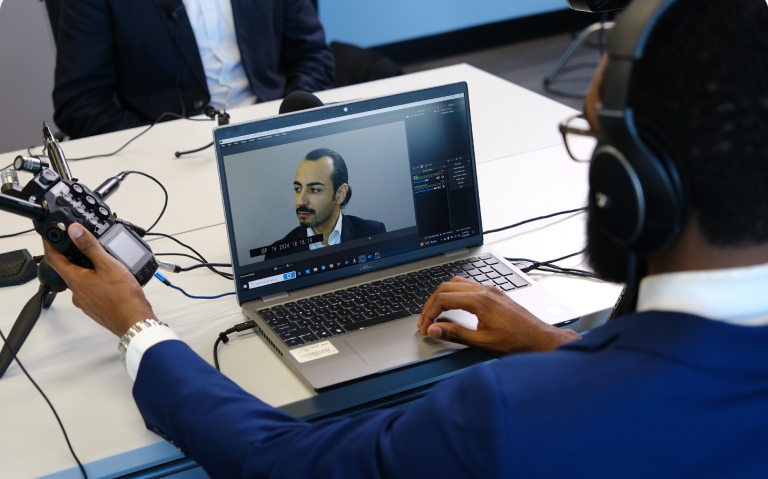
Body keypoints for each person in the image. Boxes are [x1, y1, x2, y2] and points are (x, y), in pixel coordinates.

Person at [43, 0, 768, 476]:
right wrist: (554, 342)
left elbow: (282, 461)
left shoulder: (508, 416)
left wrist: (139, 327)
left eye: (593, 137)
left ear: (632, 185)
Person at [52, 0, 334, 139]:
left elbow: (311, 54)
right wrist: (156, 142)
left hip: (275, 128)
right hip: (172, 150)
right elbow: (79, 103)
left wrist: (292, 121)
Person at [264, 148, 386, 260]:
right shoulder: (277, 254)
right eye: (298, 189)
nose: (301, 201)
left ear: (340, 194)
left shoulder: (373, 232)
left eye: (315, 190)